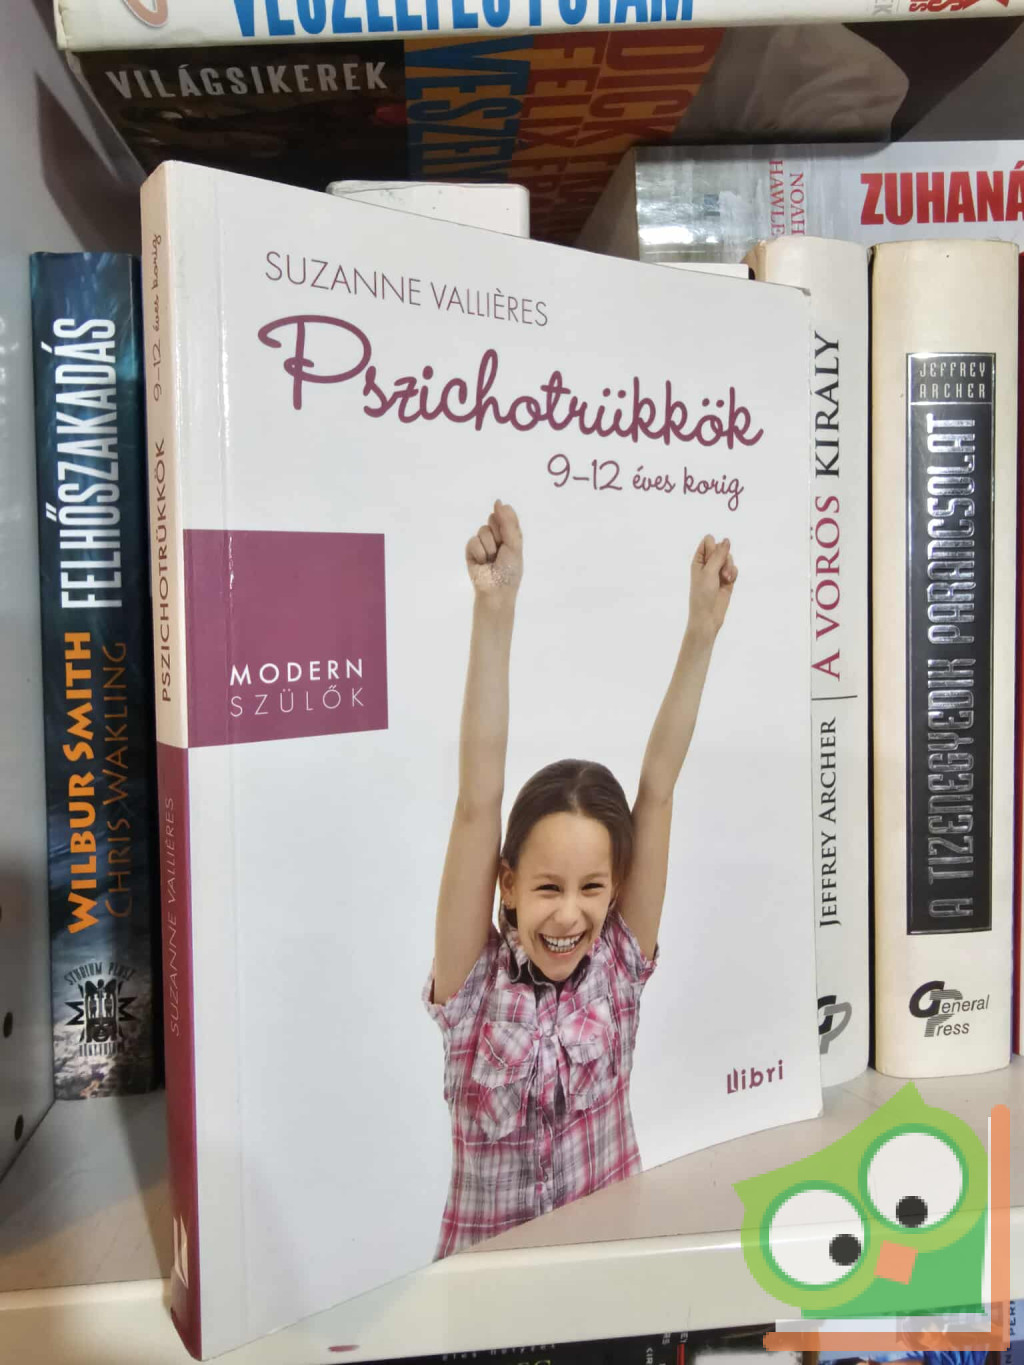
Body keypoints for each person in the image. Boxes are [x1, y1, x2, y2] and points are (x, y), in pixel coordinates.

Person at [424, 499, 737, 1258]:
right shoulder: (471, 987)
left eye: (592, 887)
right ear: (506, 884)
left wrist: (702, 630)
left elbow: (657, 788)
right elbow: (477, 802)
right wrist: (495, 607)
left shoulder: (620, 966)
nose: (569, 913)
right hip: (485, 1298)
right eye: (547, 887)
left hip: (608, 1282)